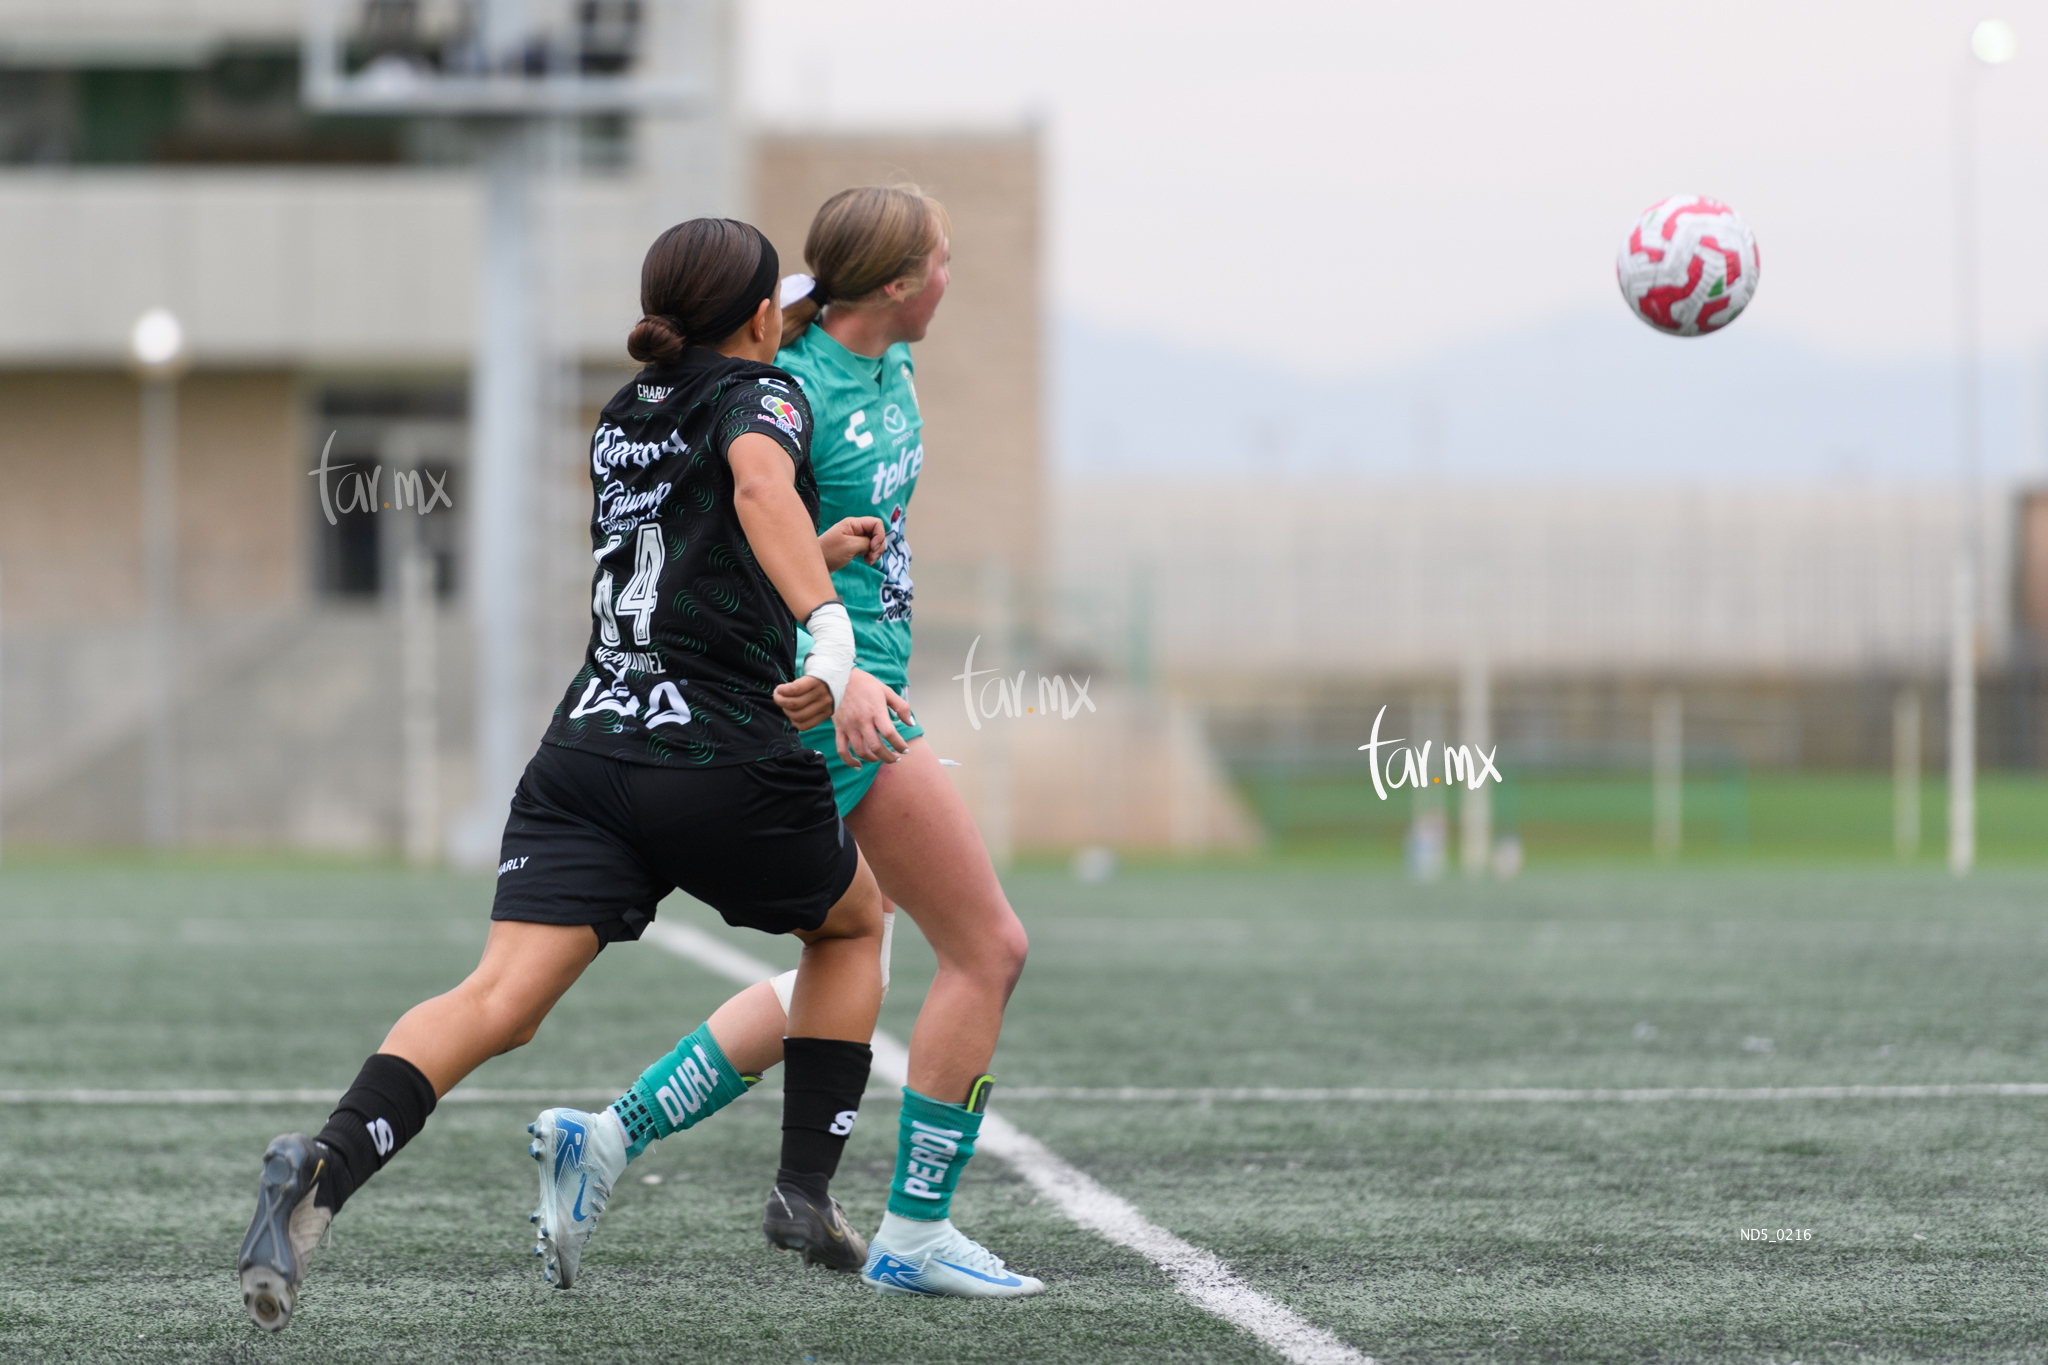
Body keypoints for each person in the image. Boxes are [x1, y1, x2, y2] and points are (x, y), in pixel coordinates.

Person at [235, 217, 894, 1333]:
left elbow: (683, 543)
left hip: (585, 754)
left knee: (493, 1001)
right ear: (755, 319)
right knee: (852, 929)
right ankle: (803, 1191)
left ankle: (325, 1169)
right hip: (714, 754)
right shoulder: (769, 395)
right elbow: (750, 490)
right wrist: (828, 632)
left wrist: (808, 550)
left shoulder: (624, 412)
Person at [524, 185, 1042, 1299]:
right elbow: (727, 537)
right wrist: (837, 661)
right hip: (818, 708)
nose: (953, 276)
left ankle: (605, 1139)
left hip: (866, 690)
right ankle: (911, 1231)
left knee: (850, 958)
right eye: (943, 260)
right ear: (899, 283)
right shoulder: (788, 384)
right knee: (982, 948)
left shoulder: (889, 362)